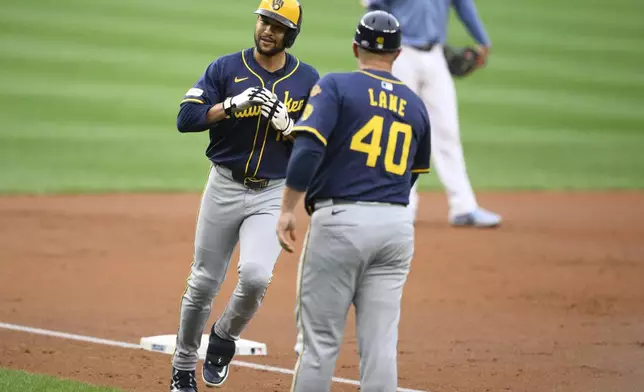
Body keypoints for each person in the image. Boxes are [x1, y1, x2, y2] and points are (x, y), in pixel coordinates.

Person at [275, 10, 431, 391]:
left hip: (340, 222)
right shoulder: (415, 105)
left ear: (355, 48)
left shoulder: (336, 86)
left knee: (319, 344)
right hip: (396, 227)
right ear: (397, 55)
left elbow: (307, 151)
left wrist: (286, 209)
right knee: (380, 347)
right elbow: (411, 176)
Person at [169, 1, 319, 391]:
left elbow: (317, 144)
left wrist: (289, 126)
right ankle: (183, 366)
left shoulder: (308, 80)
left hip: (272, 193)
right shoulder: (225, 68)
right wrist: (230, 106)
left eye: (278, 26)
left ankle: (223, 336)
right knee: (203, 283)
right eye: (264, 21)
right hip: (224, 185)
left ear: (291, 35)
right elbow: (186, 119)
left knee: (255, 277)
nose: (268, 30)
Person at [362, 0, 502, 228]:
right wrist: (378, 52)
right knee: (401, 131)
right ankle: (402, 205)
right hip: (400, 54)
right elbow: (376, 9)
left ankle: (464, 207)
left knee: (447, 130)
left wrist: (482, 39)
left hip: (436, 55)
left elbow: (463, 5)